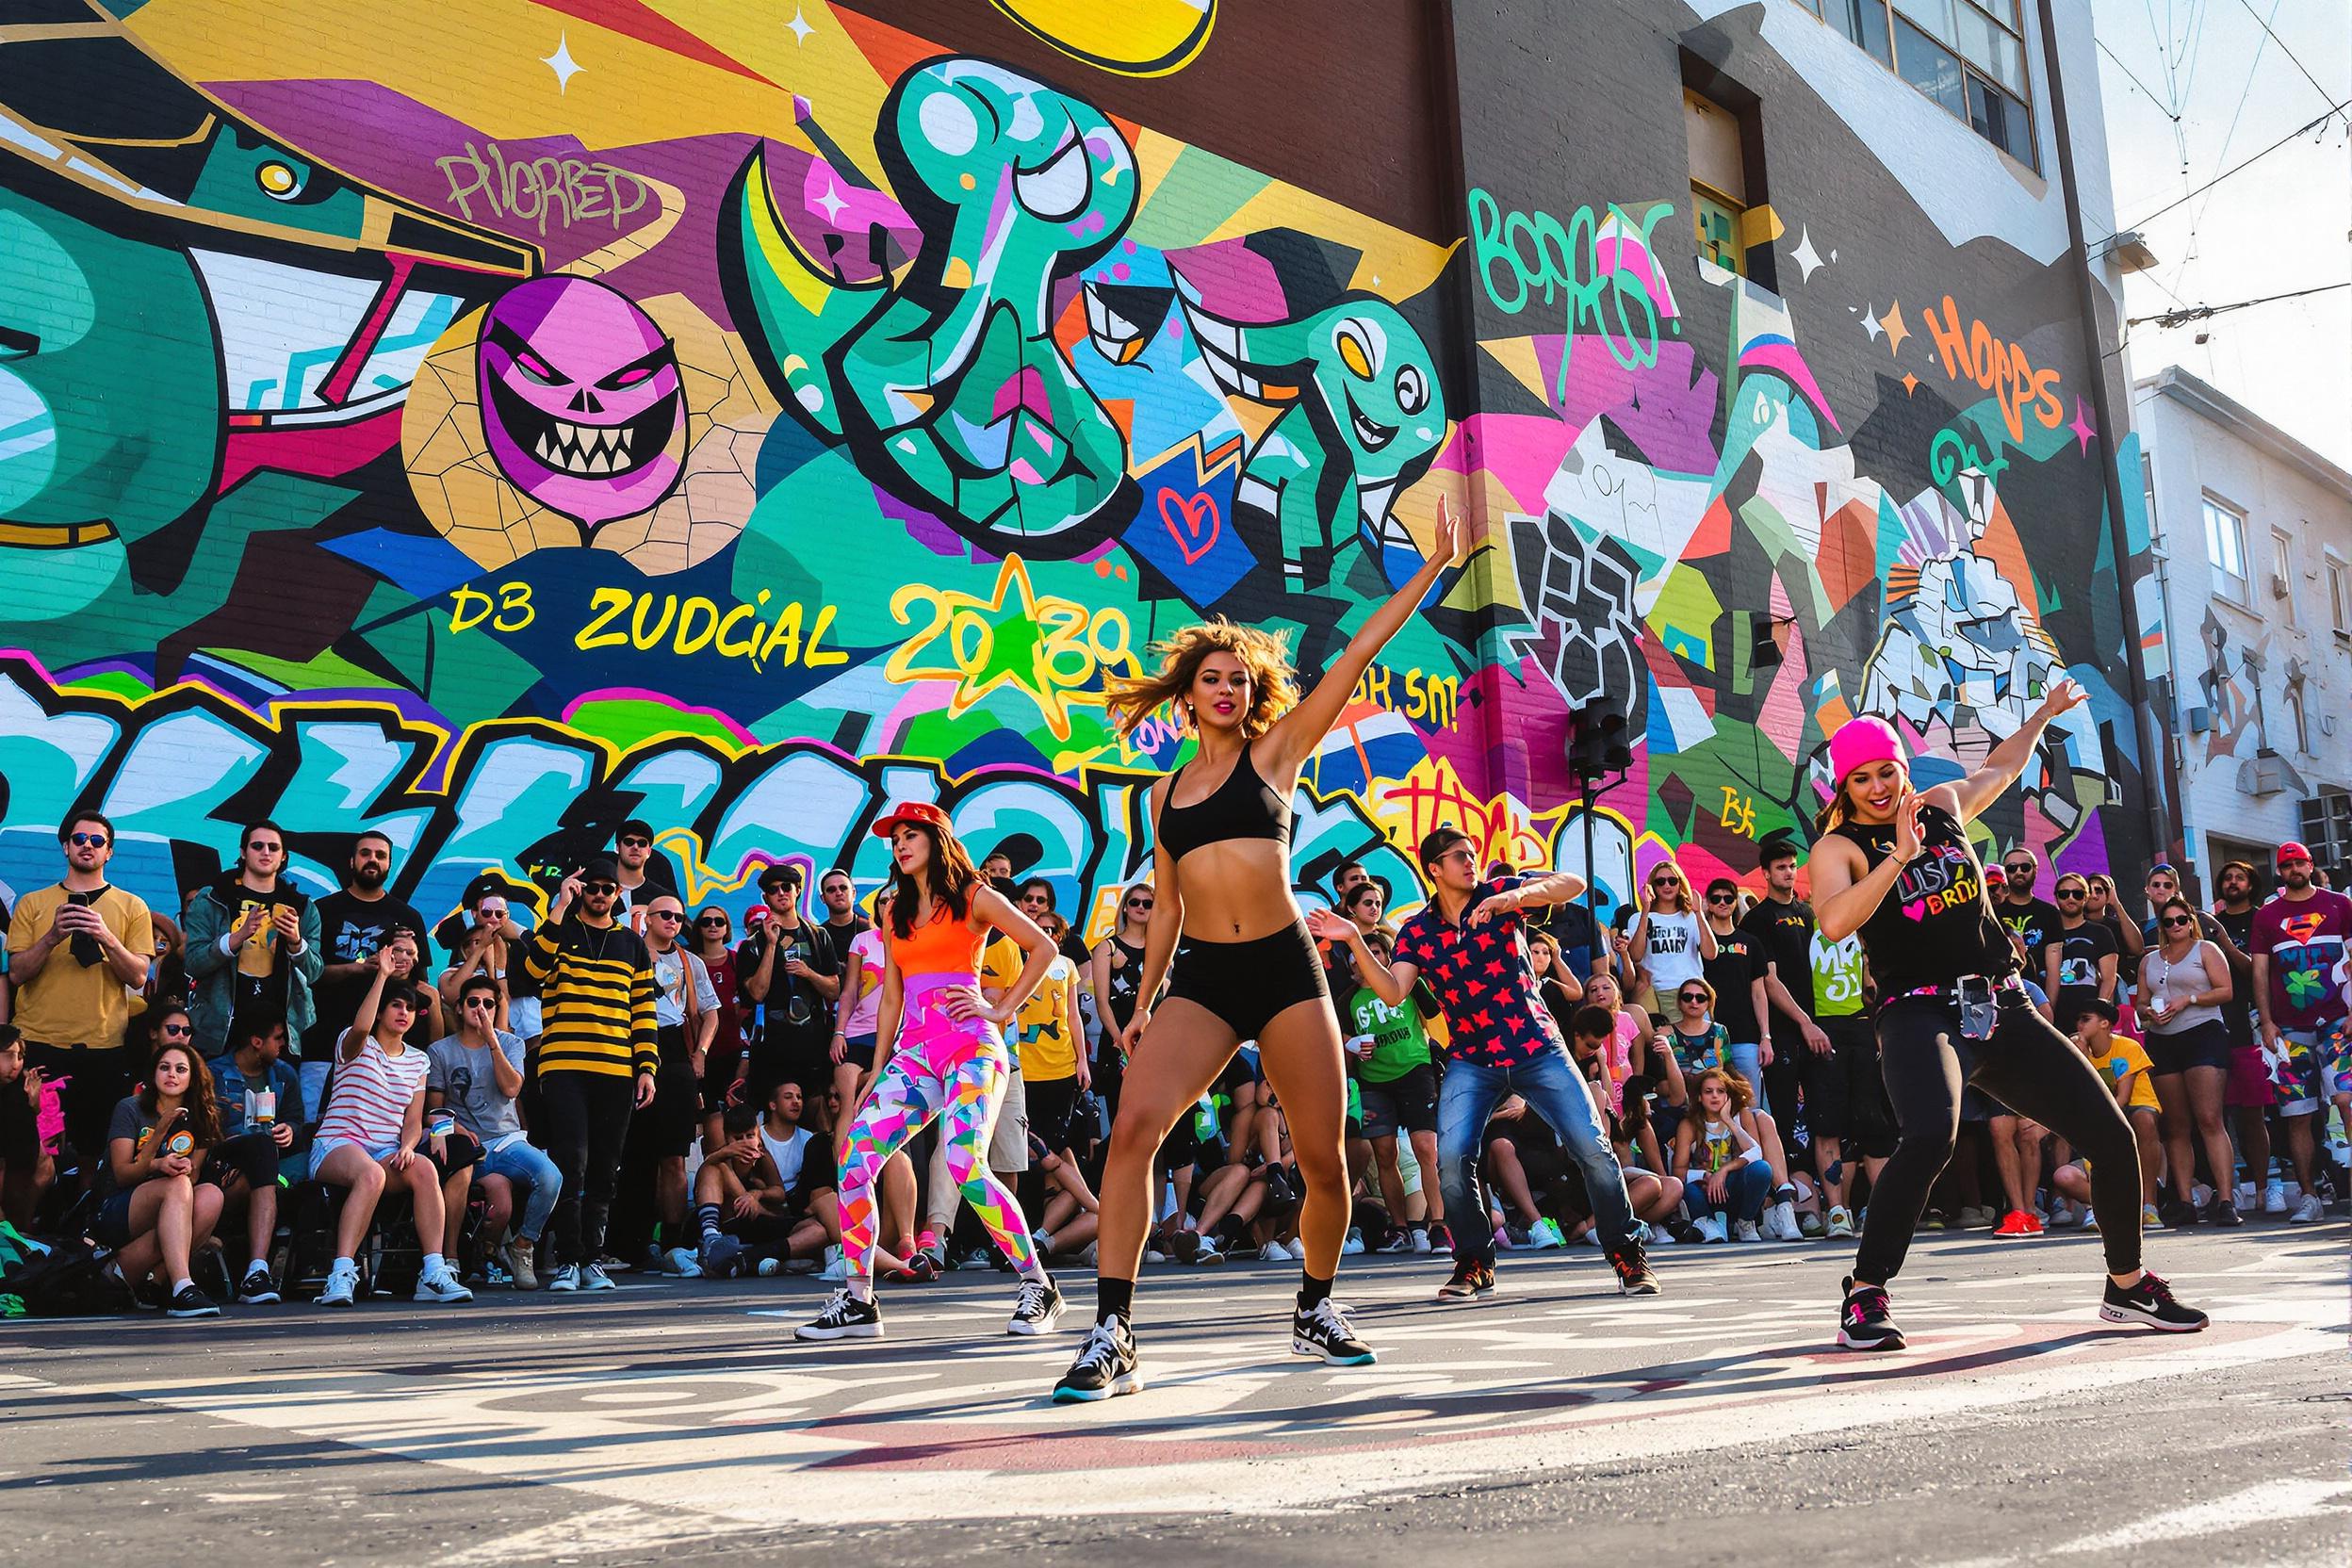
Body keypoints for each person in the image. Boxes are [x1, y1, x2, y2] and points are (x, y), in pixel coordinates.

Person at [1052, 507, 1462, 1403]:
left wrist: (1432, 566)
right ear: (1189, 694)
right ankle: (1112, 1330)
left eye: (1240, 678)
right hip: (1203, 978)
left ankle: (1315, 1304)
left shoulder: (1275, 755)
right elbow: (1163, 908)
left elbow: (1354, 659)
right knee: (1132, 1134)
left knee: (1321, 1162)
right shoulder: (1163, 793)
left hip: (1284, 969)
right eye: (1212, 679)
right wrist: (1143, 998)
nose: (1228, 690)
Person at [1807, 694, 2207, 1350]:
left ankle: (2128, 1285)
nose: (1878, 788)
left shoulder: (1938, 806)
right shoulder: (1841, 846)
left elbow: (1998, 769)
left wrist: (2044, 715)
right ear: (1845, 786)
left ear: (1903, 768)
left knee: (2110, 1135)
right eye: (1862, 778)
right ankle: (1865, 1291)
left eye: (1886, 771)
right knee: (1932, 1133)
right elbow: (1834, 920)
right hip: (1919, 1011)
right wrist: (1899, 857)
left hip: (2000, 1001)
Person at [1329, 823, 1658, 1303]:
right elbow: (1394, 989)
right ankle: (1475, 1262)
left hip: (1537, 1047)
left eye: (1472, 853)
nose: (1470, 861)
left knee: (1592, 1146)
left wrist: (1510, 901)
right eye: (1459, 856)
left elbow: (1571, 884)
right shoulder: (1418, 932)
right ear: (1435, 869)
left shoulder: (1502, 892)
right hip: (1472, 1059)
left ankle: (1626, 1253)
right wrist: (1355, 940)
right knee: (1451, 1159)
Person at [798, 802, 1062, 1342]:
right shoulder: (894, 913)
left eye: (910, 834)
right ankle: (857, 1300)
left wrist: (1000, 1009)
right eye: (894, 838)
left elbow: (1044, 946)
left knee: (966, 1162)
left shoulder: (973, 896)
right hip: (916, 1055)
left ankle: (1039, 1286)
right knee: (853, 1160)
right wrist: (877, 1066)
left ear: (936, 839)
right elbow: (892, 993)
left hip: (971, 1047)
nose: (899, 844)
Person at [307, 948, 474, 1306]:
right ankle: (341, 1275)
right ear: (382, 1010)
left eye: (410, 1008)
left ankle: (433, 1272)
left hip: (386, 1151)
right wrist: (382, 975)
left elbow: (413, 1122)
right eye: (396, 1006)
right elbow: (362, 1026)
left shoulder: (418, 1059)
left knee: (424, 1169)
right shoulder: (354, 1043)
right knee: (371, 1175)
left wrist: (409, 1146)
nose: (404, 1013)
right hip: (337, 1144)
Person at [522, 857, 658, 1292]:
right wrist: (557, 908)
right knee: (570, 1164)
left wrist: (647, 1069)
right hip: (563, 1067)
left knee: (605, 1167)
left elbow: (644, 1012)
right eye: (593, 887)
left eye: (607, 889)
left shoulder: (632, 944)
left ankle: (593, 1260)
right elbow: (532, 973)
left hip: (617, 1069)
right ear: (582, 890)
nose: (600, 894)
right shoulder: (558, 931)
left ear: (618, 895)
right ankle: (567, 1260)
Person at [5, 813, 155, 1179]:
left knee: (93, 1150)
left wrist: (106, 936)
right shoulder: (32, 903)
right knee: (31, 1149)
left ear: (110, 853)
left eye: (98, 840)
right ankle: (32, 1229)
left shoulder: (133, 906)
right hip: (38, 1043)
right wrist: (52, 936)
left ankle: (80, 1227)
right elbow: (18, 974)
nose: (88, 844)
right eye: (79, 838)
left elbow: (137, 975)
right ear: (66, 847)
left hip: (101, 1047)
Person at [428, 973, 558, 1288]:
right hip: (468, 1145)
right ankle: (474, 1254)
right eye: (474, 1002)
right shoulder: (440, 1051)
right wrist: (454, 1126)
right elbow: (433, 1107)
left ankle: (522, 1246)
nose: (481, 1009)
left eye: (489, 1003)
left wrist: (492, 1041)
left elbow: (512, 1088)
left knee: (551, 1177)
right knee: (501, 1200)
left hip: (508, 1140)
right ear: (459, 1008)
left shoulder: (510, 1043)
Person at [2247, 840, 2349, 1226]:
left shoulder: (2339, 905)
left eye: (2299, 863)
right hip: (2288, 1029)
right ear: (2279, 871)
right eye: (2287, 865)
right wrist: (2267, 1022)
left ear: (2310, 865)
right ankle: (2310, 1197)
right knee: (2298, 1115)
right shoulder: (2267, 917)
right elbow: (2259, 973)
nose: (2294, 870)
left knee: (2346, 1101)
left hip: (2338, 1022)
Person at [96, 1036, 228, 1316]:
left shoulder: (202, 1116)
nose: (171, 1074)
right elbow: (122, 1174)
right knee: (176, 1186)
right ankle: (183, 1286)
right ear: (153, 1072)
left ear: (193, 1078)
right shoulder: (130, 1108)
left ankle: (155, 1280)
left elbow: (191, 1179)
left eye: (181, 1069)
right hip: (120, 1205)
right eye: (164, 1067)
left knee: (211, 1196)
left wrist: (184, 1170)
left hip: (171, 1205)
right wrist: (158, 1155)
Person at [182, 822, 324, 1065]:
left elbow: (314, 973)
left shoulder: (302, 907)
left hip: (280, 1035)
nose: (266, 852)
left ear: (283, 857)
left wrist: (296, 943)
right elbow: (193, 963)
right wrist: (235, 939)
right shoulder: (213, 898)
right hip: (221, 1030)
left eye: (273, 847)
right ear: (243, 852)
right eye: (257, 846)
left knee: (277, 1101)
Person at [310, 832, 428, 1122]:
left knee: (373, 1130)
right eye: (366, 853)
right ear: (352, 861)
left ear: (389, 864)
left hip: (384, 1056)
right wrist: (360, 967)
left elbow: (418, 985)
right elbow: (307, 974)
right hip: (322, 1041)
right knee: (312, 1125)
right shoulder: (322, 910)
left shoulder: (408, 917)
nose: (372, 860)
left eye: (380, 855)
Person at [629, 893, 718, 1273]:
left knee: (674, 1155)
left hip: (675, 1051)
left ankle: (673, 1242)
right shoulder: (627, 952)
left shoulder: (688, 961)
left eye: (680, 918)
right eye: (665, 915)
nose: (674, 922)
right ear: (646, 918)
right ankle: (630, 1242)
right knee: (633, 1155)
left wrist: (700, 1052)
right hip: (631, 1049)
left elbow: (712, 1013)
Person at [2138, 894, 2239, 1226]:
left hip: (2202, 1033)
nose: (2176, 926)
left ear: (2191, 920)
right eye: (2169, 921)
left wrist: (2188, 1000)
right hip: (2162, 1039)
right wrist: (2148, 1012)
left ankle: (2225, 1200)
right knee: (2174, 1126)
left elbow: (2226, 990)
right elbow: (2139, 1002)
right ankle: (2184, 1200)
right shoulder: (2150, 959)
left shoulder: (2206, 950)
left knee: (2209, 1118)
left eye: (2182, 919)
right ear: (2162, 926)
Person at [1342, 928, 1444, 1255]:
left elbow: (1438, 1017)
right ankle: (1400, 1228)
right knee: (1385, 1154)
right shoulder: (1347, 1001)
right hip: (1374, 1082)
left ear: (1387, 956)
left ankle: (1438, 1227)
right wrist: (1351, 1044)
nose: (1367, 962)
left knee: (1426, 1148)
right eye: (1359, 958)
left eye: (1376, 954)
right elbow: (1335, 1039)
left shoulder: (1409, 984)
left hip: (1415, 1071)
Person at [204, 1005, 302, 1302]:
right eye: (278, 1038)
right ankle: (256, 1271)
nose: (283, 1044)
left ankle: (258, 1270)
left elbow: (296, 1118)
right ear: (256, 1042)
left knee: (273, 1156)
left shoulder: (285, 1074)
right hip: (225, 1161)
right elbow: (205, 1130)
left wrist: (290, 1129)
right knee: (259, 1146)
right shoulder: (214, 1073)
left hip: (269, 1163)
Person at [696, 1081, 840, 1277]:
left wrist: (757, 1194)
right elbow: (707, 1168)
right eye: (738, 1139)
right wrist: (725, 1153)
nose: (745, 1143)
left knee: (818, 1230)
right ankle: (711, 1239)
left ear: (758, 1136)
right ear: (728, 1139)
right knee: (712, 1167)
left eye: (750, 1136)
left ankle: (746, 1258)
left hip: (762, 1222)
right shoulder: (721, 1160)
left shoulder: (762, 1156)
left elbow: (779, 1192)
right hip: (731, 1225)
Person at [738, 864, 840, 1108]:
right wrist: (772, 945)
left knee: (817, 1111)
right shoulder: (752, 945)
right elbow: (756, 993)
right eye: (773, 890)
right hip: (773, 1044)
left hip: (813, 1041)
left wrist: (809, 974)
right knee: (772, 1113)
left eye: (787, 887)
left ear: (798, 891)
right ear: (766, 897)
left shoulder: (818, 936)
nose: (781, 893)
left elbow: (834, 990)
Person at [2208, 860, 2276, 1214]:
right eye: (2228, 878)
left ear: (2251, 884)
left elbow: (2254, 970)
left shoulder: (2263, 919)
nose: (2233, 882)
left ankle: (2265, 1186)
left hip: (2250, 1025)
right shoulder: (2204, 924)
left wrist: (2222, 939)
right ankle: (2228, 1192)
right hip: (2214, 1027)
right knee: (2215, 1115)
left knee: (2253, 1113)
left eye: (2240, 877)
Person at [2061, 997, 2164, 1223]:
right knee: (2063, 1176)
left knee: (2144, 1120)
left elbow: (2122, 1098)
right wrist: (2082, 1058)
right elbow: (2080, 1098)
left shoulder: (2127, 1046)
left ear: (2104, 1023)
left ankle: (2149, 1204)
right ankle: (2105, 1206)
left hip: (2132, 1107)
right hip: (2101, 1113)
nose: (2079, 1025)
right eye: (2078, 1020)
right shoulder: (2077, 1050)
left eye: (2086, 1019)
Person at [1674, 1069, 1772, 1242]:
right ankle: (1710, 1224)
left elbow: (1757, 1153)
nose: (1715, 1096)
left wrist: (1728, 1121)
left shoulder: (1742, 1115)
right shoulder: (1688, 1125)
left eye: (1721, 1091)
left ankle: (1745, 1221)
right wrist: (1706, 1176)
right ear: (1699, 1097)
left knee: (1762, 1169)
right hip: (1707, 1191)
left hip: (1734, 1187)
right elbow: (1678, 1171)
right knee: (1688, 1189)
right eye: (1708, 1091)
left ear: (1728, 1095)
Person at [1086, 882, 1155, 1126]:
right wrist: (1120, 1039)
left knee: (1154, 1118)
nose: (1141, 907)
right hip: (1118, 1040)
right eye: (1134, 902)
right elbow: (1102, 1002)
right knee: (1123, 1117)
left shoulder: (1161, 950)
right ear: (1125, 907)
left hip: (1155, 1041)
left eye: (1148, 903)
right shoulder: (1107, 947)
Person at [1700, 879, 1771, 1112]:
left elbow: (1759, 993)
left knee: (1750, 1104)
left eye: (1728, 898)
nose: (1722, 902)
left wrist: (1765, 1036)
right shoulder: (1700, 941)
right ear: (1708, 903)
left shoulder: (1751, 942)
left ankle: (1755, 1149)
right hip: (1707, 1033)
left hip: (1745, 1035)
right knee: (1710, 1105)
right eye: (1716, 898)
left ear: (1735, 903)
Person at [690, 904, 748, 1151]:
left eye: (719, 921)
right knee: (710, 1116)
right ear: (698, 929)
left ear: (727, 928)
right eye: (706, 922)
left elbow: (751, 999)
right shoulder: (689, 962)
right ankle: (717, 1170)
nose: (713, 925)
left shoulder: (737, 960)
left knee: (738, 1116)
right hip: (700, 1054)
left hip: (734, 1051)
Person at [1629, 859, 1714, 1018]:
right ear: (1653, 886)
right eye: (1660, 882)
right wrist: (1645, 911)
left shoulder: (1690, 917)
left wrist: (1699, 914)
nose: (1667, 886)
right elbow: (1635, 955)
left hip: (1693, 991)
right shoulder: (1638, 918)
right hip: (1660, 991)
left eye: (1672, 881)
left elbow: (1711, 954)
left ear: (1679, 884)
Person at [2043, 874, 2119, 1033]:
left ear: (2085, 898)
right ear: (2056, 898)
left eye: (2077, 894)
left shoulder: (2101, 932)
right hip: (2052, 1012)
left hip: (2087, 1013)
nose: (2070, 899)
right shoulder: (2046, 933)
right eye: (2064, 894)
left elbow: (2109, 979)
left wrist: (2097, 1011)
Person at [0, 1026, 56, 1227]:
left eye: (20, 1056)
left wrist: (38, 1106)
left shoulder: (24, 1090)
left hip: (22, 1171)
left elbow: (55, 1143)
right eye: (8, 1056)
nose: (16, 1064)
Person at [612, 818, 677, 916]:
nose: (635, 847)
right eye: (629, 842)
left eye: (642, 843)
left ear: (649, 852)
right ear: (617, 848)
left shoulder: (664, 899)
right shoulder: (599, 891)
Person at [818, 868, 871, 950]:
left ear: (853, 894)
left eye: (843, 888)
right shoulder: (818, 937)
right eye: (831, 890)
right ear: (823, 898)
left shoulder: (869, 930)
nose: (838, 893)